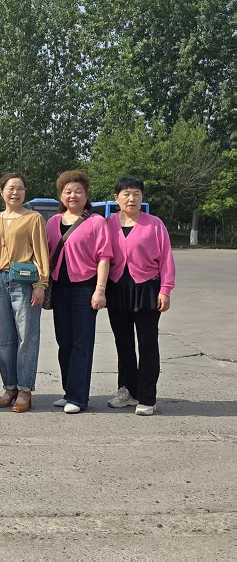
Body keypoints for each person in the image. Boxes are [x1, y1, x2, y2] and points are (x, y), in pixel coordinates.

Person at [105, 177, 175, 416]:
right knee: (123, 343)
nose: (131, 199)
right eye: (126, 194)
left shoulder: (154, 224)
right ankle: (127, 390)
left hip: (147, 288)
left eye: (136, 194)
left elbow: (166, 259)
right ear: (116, 198)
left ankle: (147, 397)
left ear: (142, 197)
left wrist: (165, 290)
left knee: (147, 343)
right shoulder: (108, 224)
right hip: (117, 289)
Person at [46, 171, 112, 414]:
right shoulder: (52, 222)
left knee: (81, 342)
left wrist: (100, 290)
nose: (73, 195)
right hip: (59, 288)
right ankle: (68, 392)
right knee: (64, 341)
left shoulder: (96, 222)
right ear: (61, 196)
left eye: (78, 191)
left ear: (86, 196)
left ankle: (79, 396)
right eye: (68, 191)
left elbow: (104, 257)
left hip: (85, 288)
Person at [0, 173, 49, 414]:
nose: (15, 192)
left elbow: (41, 252)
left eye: (20, 188)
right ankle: (9, 387)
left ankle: (24, 389)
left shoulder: (33, 218)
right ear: (1, 191)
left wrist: (41, 284)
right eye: (11, 188)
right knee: (3, 338)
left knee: (26, 336)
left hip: (24, 281)